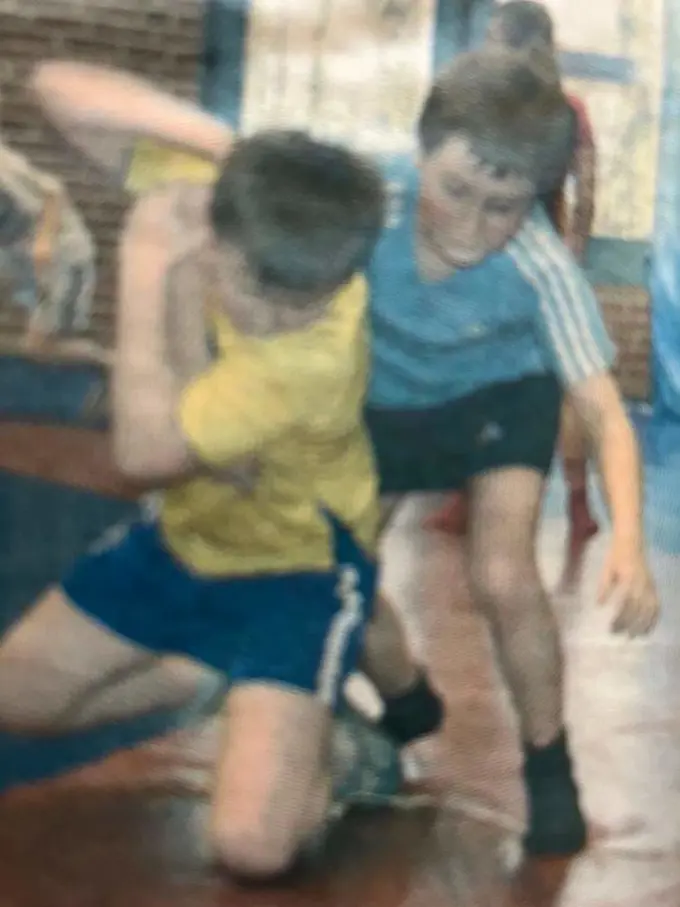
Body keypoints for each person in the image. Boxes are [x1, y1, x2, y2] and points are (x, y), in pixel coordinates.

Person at [28, 52, 658, 861]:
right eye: (456, 191)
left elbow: (603, 409)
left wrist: (630, 541)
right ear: (419, 154)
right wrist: (231, 147)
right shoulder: (371, 200)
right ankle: (406, 701)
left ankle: (549, 765)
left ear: (533, 200)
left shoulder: (539, 269)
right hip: (388, 392)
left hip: (502, 395)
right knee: (341, 553)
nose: (471, 225)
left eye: (503, 207)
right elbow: (66, 92)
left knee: (502, 573)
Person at [0, 113, 404, 879]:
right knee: (14, 701)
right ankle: (217, 681)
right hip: (182, 538)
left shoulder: (309, 353)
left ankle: (339, 750)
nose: (282, 317)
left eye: (307, 299)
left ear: (342, 278)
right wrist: (223, 150)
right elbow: (59, 90)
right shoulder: (252, 216)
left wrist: (149, 260)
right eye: (263, 289)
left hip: (300, 572)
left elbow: (144, 453)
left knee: (250, 848)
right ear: (227, 231)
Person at [424, 1, 600, 560]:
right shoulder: (569, 109)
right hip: (543, 253)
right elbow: (588, 186)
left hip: (496, 250)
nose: (490, 46)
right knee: (564, 382)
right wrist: (573, 251)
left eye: (497, 37)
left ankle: (461, 499)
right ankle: (578, 505)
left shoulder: (498, 106)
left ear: (516, 42)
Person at [0, 140, 95, 347]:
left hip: (60, 249)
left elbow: (53, 192)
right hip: (17, 252)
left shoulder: (5, 168)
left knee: (46, 339)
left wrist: (44, 239)